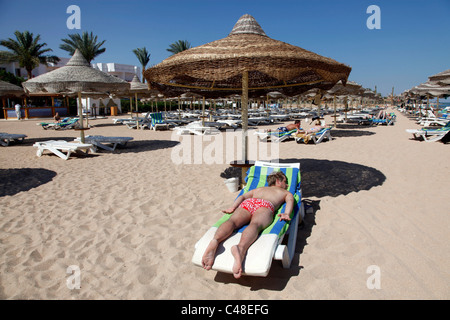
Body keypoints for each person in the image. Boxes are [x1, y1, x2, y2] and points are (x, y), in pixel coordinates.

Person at [201, 171, 294, 279]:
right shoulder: (284, 192)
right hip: (265, 205)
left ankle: (215, 240)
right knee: (255, 225)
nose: (287, 185)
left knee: (232, 222)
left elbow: (243, 197)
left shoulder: (259, 190)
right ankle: (240, 248)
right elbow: (290, 201)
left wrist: (233, 207)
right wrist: (286, 213)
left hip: (249, 202)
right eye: (285, 182)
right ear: (278, 181)